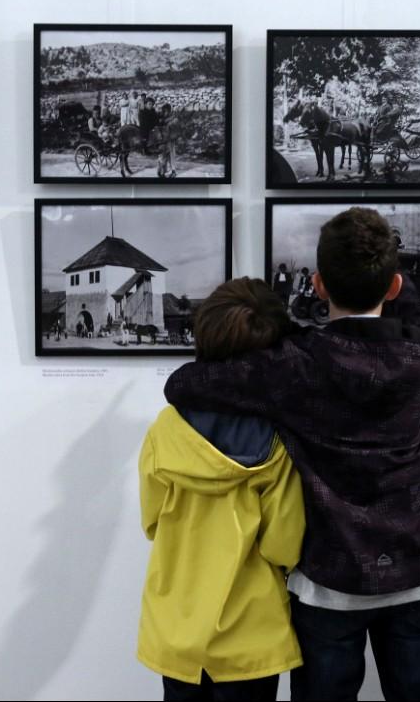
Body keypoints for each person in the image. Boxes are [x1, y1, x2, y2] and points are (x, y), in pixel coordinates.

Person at [163, 208, 420, 701]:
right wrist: (396, 289)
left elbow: (182, 384)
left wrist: (286, 332)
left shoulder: (296, 366)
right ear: (394, 287)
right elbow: (415, 311)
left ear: (317, 284)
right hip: (415, 567)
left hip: (328, 579)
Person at [138, 277, 305, 701]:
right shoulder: (278, 440)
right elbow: (284, 546)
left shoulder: (165, 428)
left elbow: (152, 521)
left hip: (178, 623)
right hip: (250, 633)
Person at [156, 103, 177, 178]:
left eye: (166, 111)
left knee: (171, 155)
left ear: (169, 111)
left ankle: (173, 171)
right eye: (163, 111)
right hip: (163, 140)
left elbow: (171, 127)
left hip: (170, 140)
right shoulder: (162, 118)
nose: (164, 113)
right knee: (162, 155)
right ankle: (162, 170)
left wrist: (166, 122)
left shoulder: (173, 118)